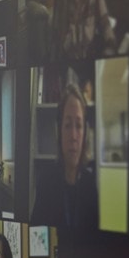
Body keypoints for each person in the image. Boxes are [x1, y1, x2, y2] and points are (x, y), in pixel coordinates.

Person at [31, 83, 99, 229]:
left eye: (79, 126)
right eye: (68, 125)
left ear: (85, 133)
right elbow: (35, 241)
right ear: (59, 131)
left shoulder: (93, 186)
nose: (73, 136)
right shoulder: (46, 183)